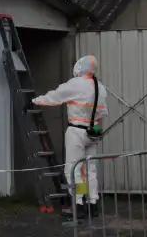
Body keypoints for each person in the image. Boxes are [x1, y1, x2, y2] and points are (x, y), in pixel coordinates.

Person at [32, 55, 108, 217]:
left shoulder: (75, 84)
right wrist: (97, 133)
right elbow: (101, 115)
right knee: (90, 170)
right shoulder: (100, 87)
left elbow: (54, 97)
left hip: (76, 132)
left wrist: (35, 101)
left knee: (73, 170)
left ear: (80, 67)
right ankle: (92, 203)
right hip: (92, 133)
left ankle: (79, 203)